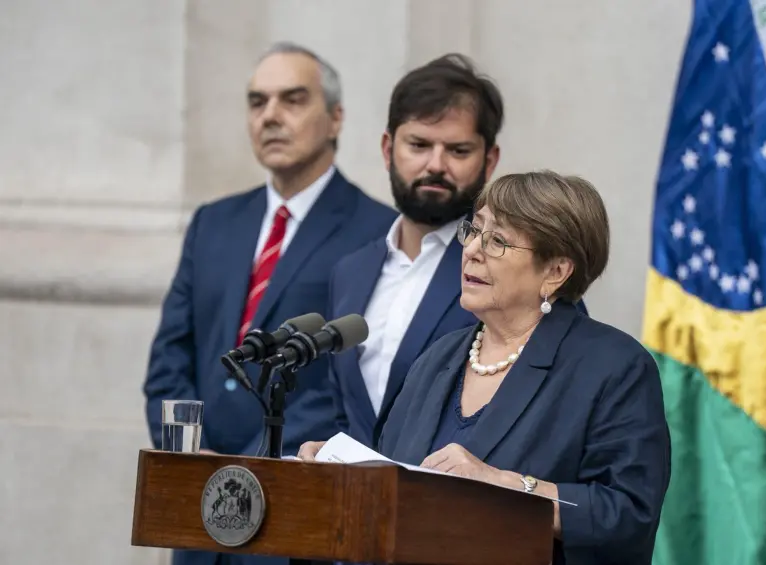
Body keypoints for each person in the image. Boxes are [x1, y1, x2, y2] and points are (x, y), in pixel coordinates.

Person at [303, 171, 671, 564]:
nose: (472, 250)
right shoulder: (436, 360)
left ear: (555, 272)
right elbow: (401, 485)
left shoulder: (614, 368)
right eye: (474, 231)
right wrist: (345, 469)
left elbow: (629, 514)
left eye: (497, 241)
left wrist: (501, 485)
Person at [143, 42, 396, 565]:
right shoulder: (213, 223)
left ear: (335, 118)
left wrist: (257, 468)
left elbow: (351, 380)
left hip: (291, 510)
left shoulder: (376, 232)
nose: (271, 116)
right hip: (198, 508)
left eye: (293, 100)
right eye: (257, 102)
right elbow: (171, 361)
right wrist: (194, 460)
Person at [327, 54, 588, 449]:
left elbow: (558, 415)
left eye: (458, 150)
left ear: (490, 160)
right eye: (419, 144)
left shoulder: (516, 271)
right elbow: (342, 411)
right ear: (387, 148)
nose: (436, 164)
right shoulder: (351, 271)